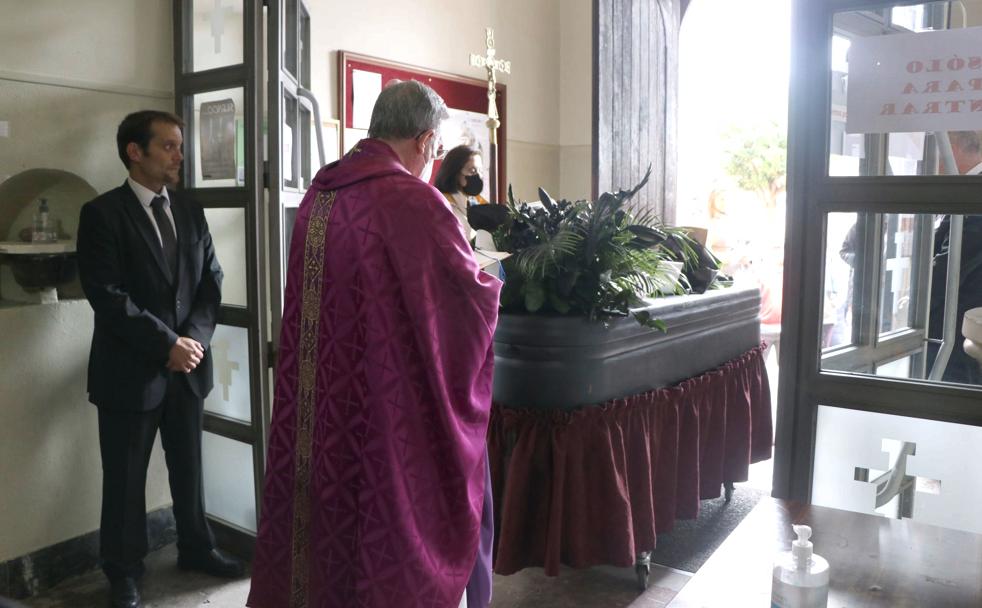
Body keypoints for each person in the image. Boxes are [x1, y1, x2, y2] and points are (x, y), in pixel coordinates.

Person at [247, 81, 502, 608]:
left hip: (320, 408)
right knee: (389, 523)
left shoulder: (322, 193)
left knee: (324, 534)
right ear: (425, 139)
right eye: (435, 148)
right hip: (390, 408)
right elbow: (465, 303)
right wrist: (494, 284)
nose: (433, 158)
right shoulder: (414, 201)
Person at [76, 110, 241, 608]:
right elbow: (107, 295)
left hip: (186, 368)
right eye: (168, 146)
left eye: (179, 145)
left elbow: (211, 280)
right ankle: (124, 571)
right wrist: (165, 343)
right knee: (124, 477)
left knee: (189, 467)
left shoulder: (190, 209)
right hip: (130, 371)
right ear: (135, 151)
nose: (179, 155)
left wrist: (190, 340)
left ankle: (196, 547)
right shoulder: (102, 214)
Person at [928, 130, 982, 384]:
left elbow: (946, 274)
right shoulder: (966, 190)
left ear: (953, 146)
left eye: (937, 144)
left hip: (956, 347)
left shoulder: (972, 198)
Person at [433, 144, 490, 242]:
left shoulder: (475, 201)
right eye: (473, 170)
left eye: (480, 171)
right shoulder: (443, 205)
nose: (478, 176)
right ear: (455, 173)